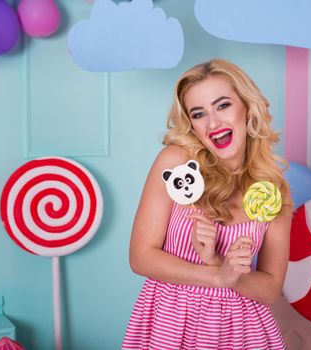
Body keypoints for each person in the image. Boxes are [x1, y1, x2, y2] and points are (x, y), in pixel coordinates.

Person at [121, 59, 293, 350]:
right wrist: (217, 275)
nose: (213, 122)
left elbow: (270, 290)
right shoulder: (177, 165)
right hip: (172, 323)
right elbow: (141, 257)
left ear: (247, 108)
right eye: (199, 114)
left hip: (242, 331)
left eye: (223, 105)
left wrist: (220, 264)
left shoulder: (272, 191)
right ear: (191, 124)